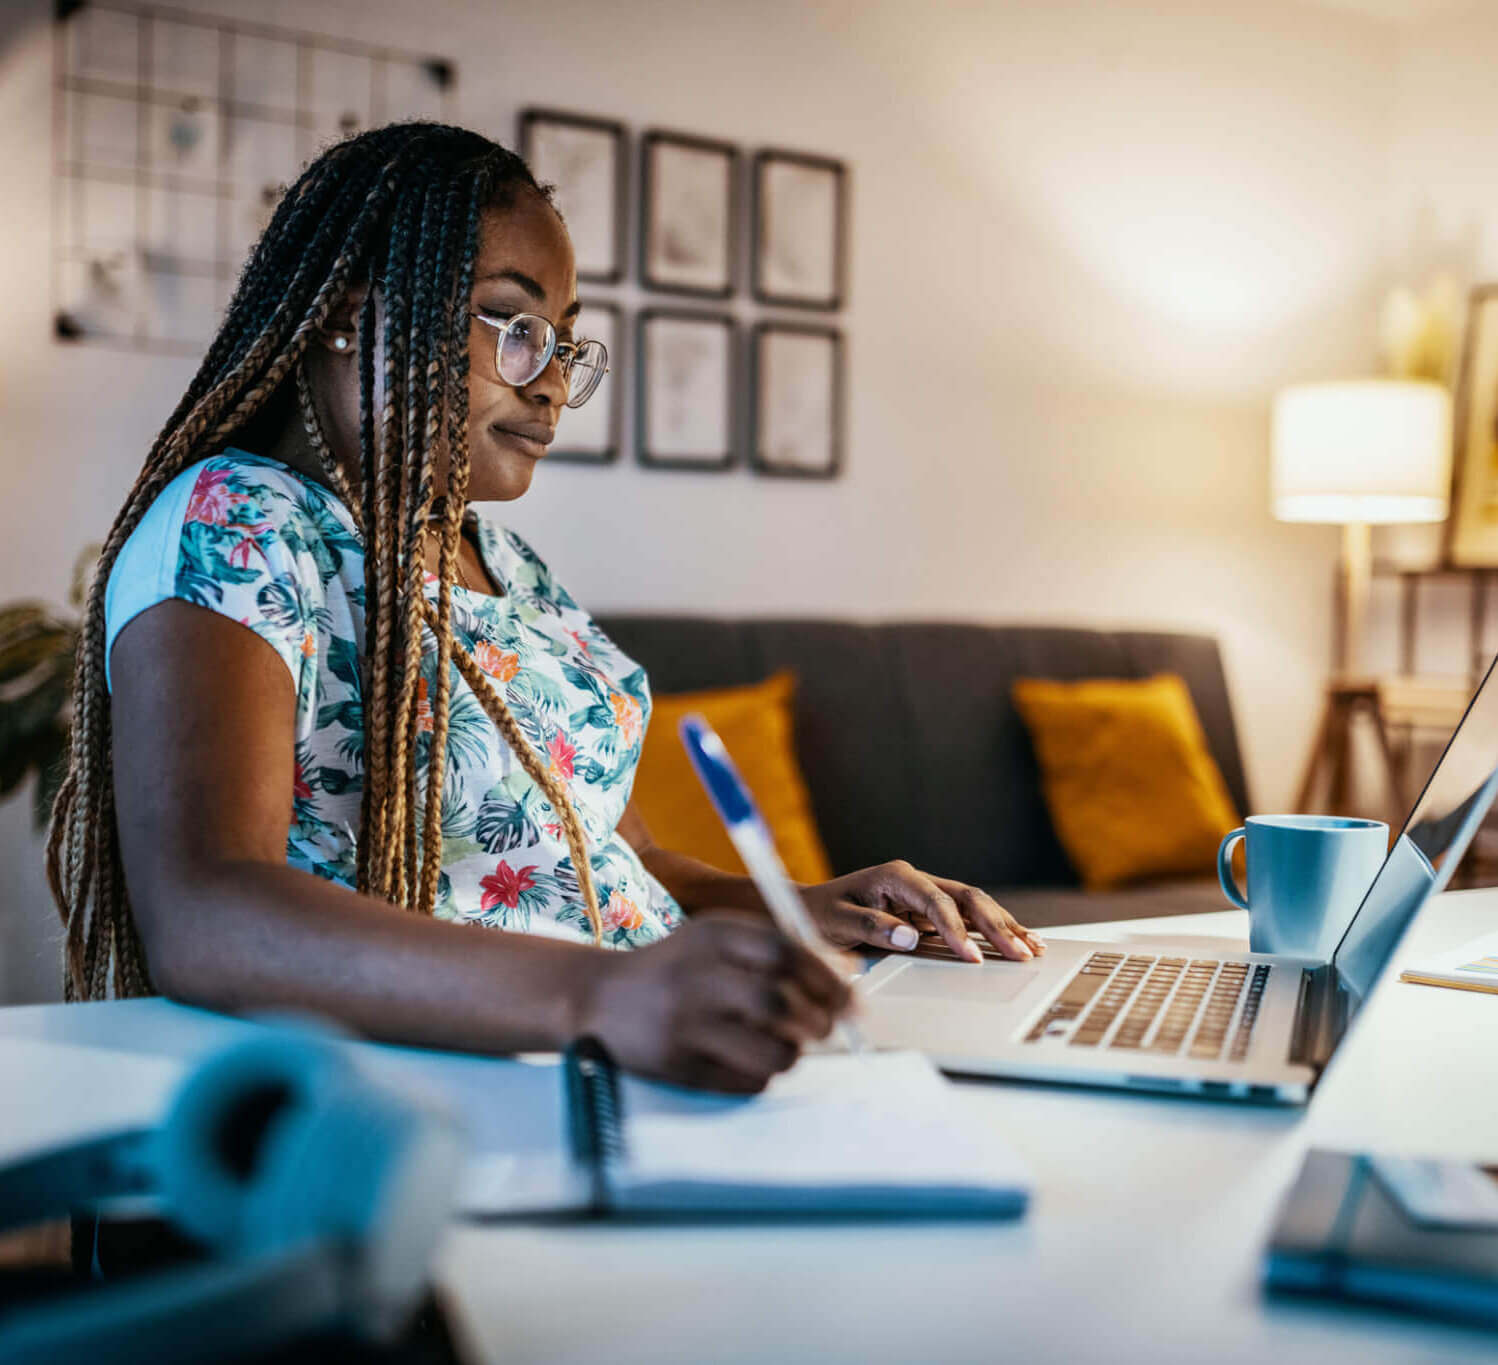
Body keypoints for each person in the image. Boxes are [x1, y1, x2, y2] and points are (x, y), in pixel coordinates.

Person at [49, 123, 1044, 1094]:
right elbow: (208, 914)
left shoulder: (505, 566)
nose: (556, 383)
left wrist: (815, 909)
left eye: (566, 343)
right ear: (352, 312)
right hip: (446, 1090)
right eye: (517, 328)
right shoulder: (238, 522)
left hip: (622, 1063)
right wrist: (602, 996)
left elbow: (622, 856)